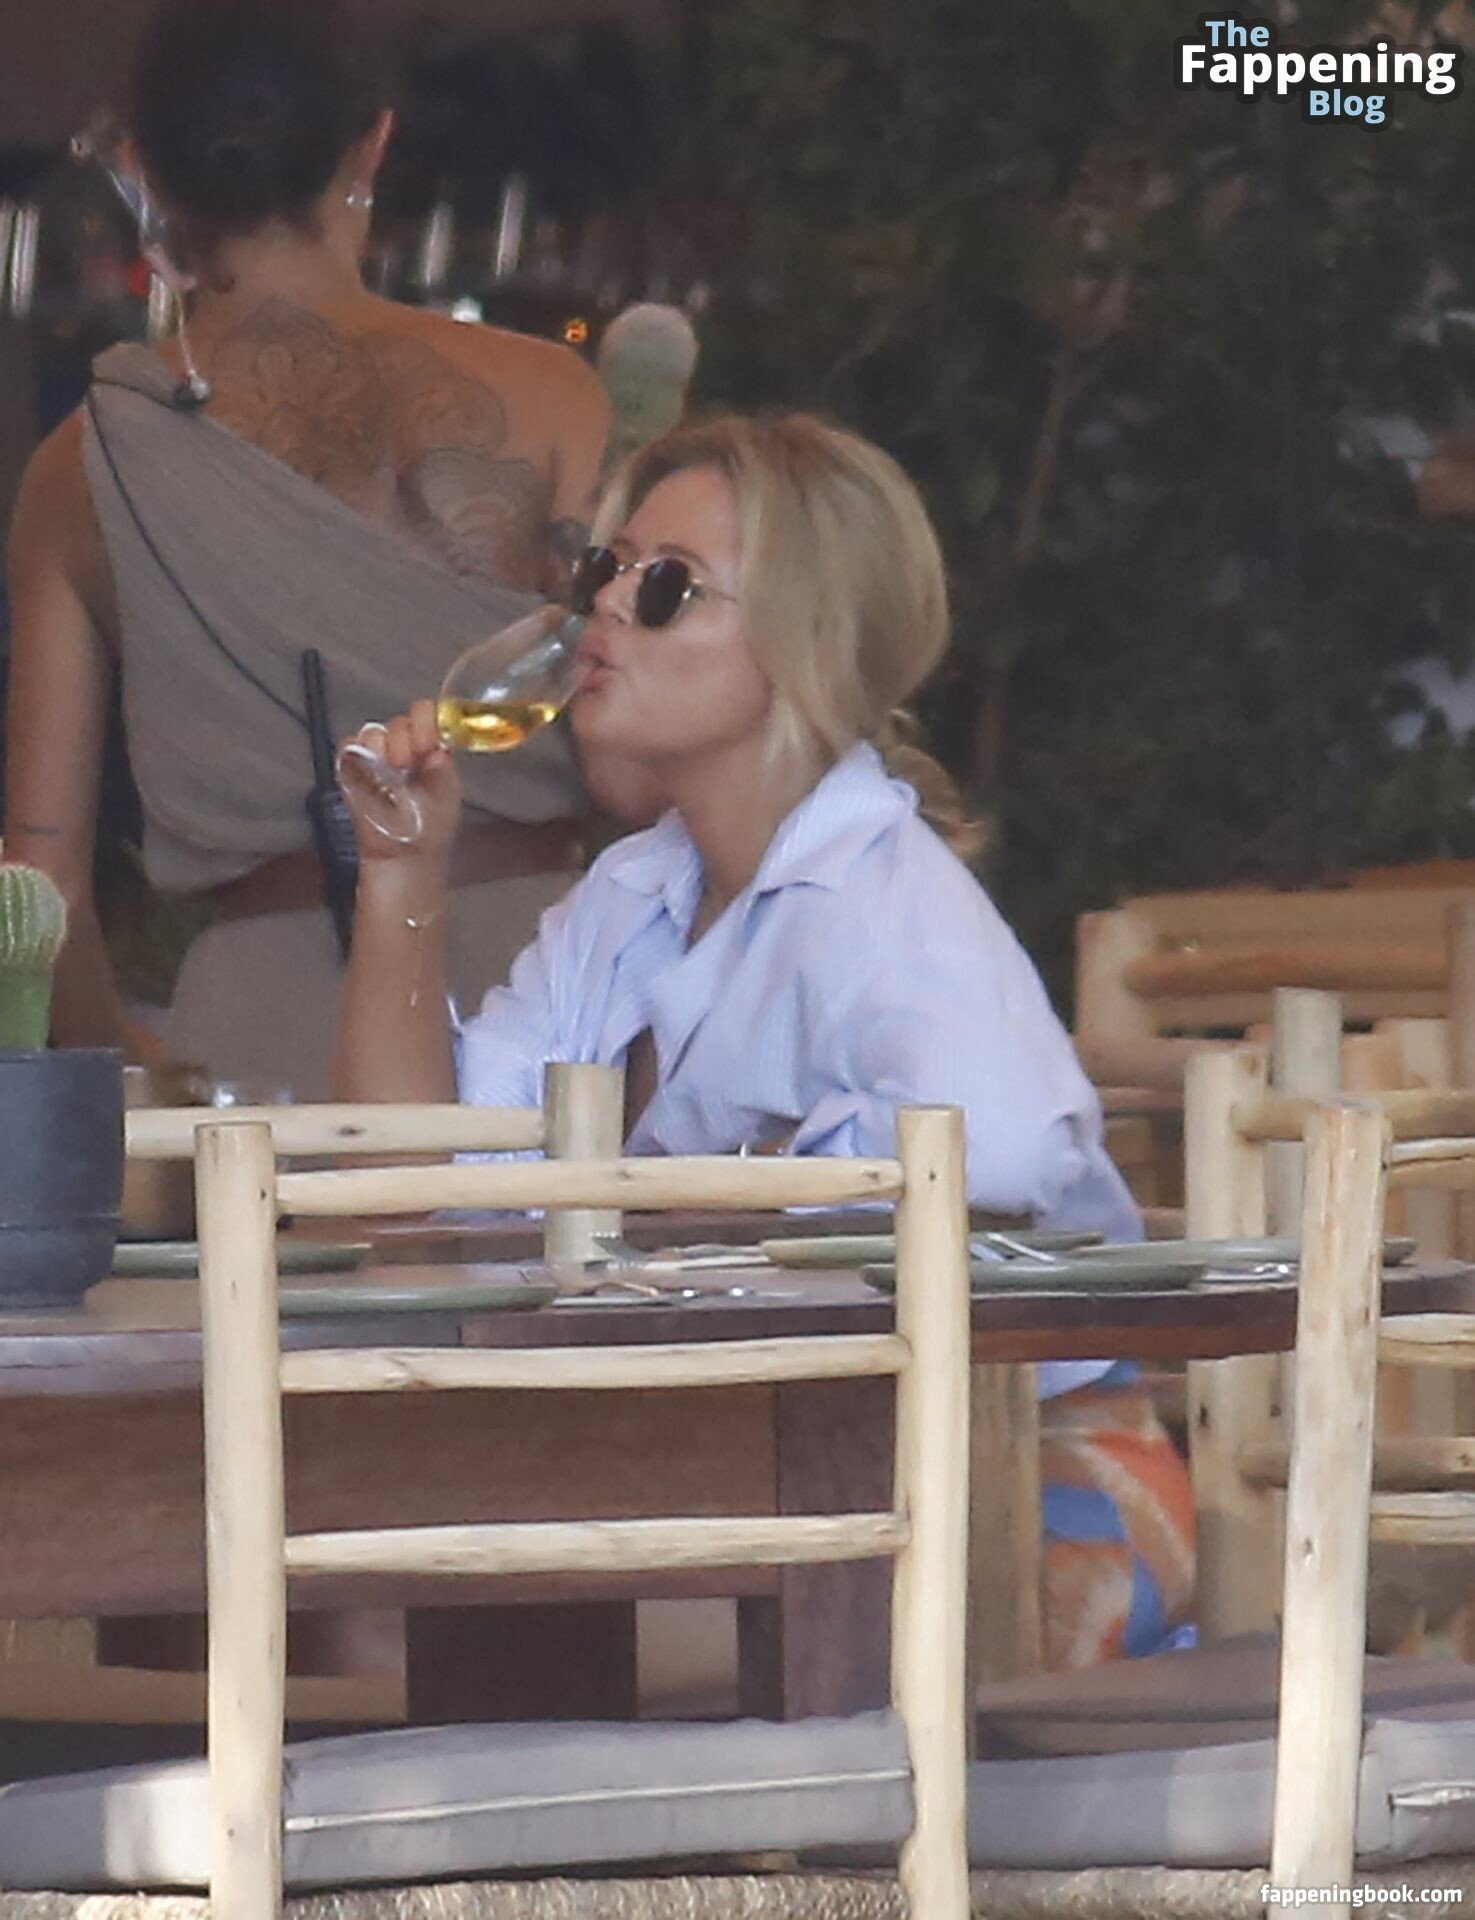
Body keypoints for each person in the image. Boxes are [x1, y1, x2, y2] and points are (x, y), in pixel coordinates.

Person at [334, 410, 1195, 1667]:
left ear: (804, 643)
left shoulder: (879, 895)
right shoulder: (629, 899)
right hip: (755, 1477)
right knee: (382, 1603)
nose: (605, 607)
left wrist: (720, 1197)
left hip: (1014, 1499)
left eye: (666, 586)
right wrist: (402, 880)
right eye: (605, 569)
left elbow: (1002, 1148)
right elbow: (406, 1190)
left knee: (414, 1623)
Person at [4, 0, 611, 1097]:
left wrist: (145, 1080)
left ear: (142, 170)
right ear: (370, 146)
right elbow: (652, 751)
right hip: (548, 1003)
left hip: (257, 1039)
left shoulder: (79, 467)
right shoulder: (555, 395)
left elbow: (38, 892)